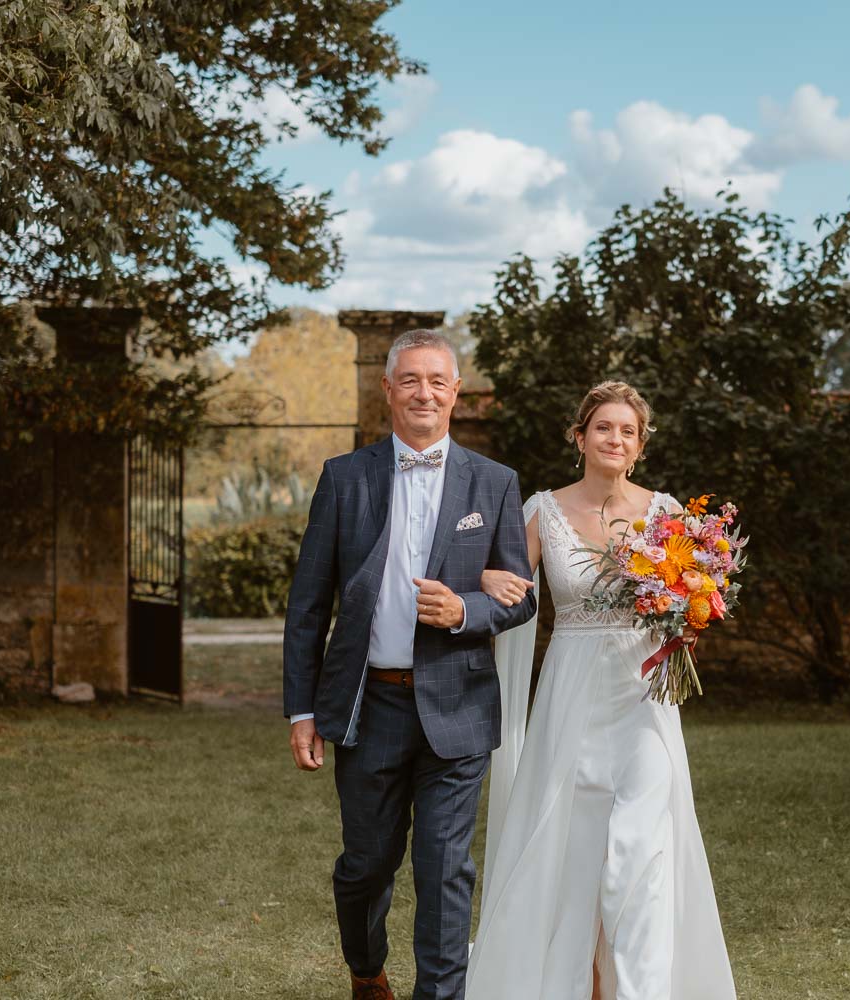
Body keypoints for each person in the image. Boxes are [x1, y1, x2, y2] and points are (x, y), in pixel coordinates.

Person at [283, 329, 537, 1000]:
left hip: (459, 705)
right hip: (372, 705)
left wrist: (467, 612)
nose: (425, 392)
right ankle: (367, 970)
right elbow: (309, 603)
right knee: (366, 865)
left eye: (438, 381)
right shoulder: (344, 477)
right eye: (412, 380)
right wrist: (303, 709)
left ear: (455, 393)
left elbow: (518, 595)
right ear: (388, 390)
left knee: (446, 867)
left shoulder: (495, 482)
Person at [465, 381, 737, 1000]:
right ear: (580, 436)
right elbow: (512, 592)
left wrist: (689, 609)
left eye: (628, 431)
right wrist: (483, 577)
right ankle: (577, 982)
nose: (615, 439)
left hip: (643, 697)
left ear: (640, 446)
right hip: (570, 692)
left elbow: (692, 596)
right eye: (604, 428)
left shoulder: (667, 513)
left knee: (642, 846)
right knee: (571, 843)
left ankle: (641, 989)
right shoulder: (542, 511)